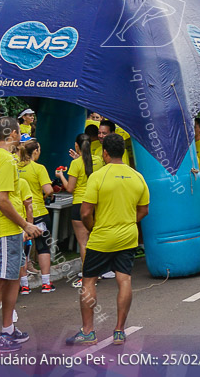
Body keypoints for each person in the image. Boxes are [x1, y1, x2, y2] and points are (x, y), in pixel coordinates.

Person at [66, 133, 149, 347]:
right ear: (122, 152)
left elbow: (85, 213)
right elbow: (144, 210)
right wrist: (129, 222)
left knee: (89, 281)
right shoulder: (137, 176)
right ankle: (119, 331)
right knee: (124, 280)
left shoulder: (98, 176)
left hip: (101, 238)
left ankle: (88, 331)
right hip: (128, 237)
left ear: (105, 153)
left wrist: (94, 229)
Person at [0, 117, 42, 353]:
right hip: (4, 226)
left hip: (1, 225)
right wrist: (26, 224)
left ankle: (7, 329)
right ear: (13, 133)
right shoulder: (5, 160)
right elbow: (1, 199)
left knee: (11, 277)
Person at [57, 133, 104, 288]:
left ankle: (88, 276)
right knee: (96, 239)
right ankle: (99, 271)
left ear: (77, 146)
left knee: (83, 243)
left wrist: (61, 176)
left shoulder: (76, 164)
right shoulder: (98, 160)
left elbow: (70, 188)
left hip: (80, 204)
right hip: (96, 204)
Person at [16, 139, 55, 294]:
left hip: (20, 215)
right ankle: (46, 283)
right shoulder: (39, 168)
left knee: (22, 249)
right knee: (43, 246)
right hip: (38, 212)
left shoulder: (14, 168)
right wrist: (43, 195)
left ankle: (24, 285)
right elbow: (49, 190)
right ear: (35, 152)